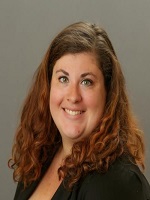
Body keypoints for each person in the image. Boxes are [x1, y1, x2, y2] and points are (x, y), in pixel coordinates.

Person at [9, 22, 150, 200]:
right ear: (47, 87)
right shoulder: (41, 158)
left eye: (86, 82)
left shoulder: (116, 183)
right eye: (63, 78)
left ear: (108, 93)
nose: (73, 96)